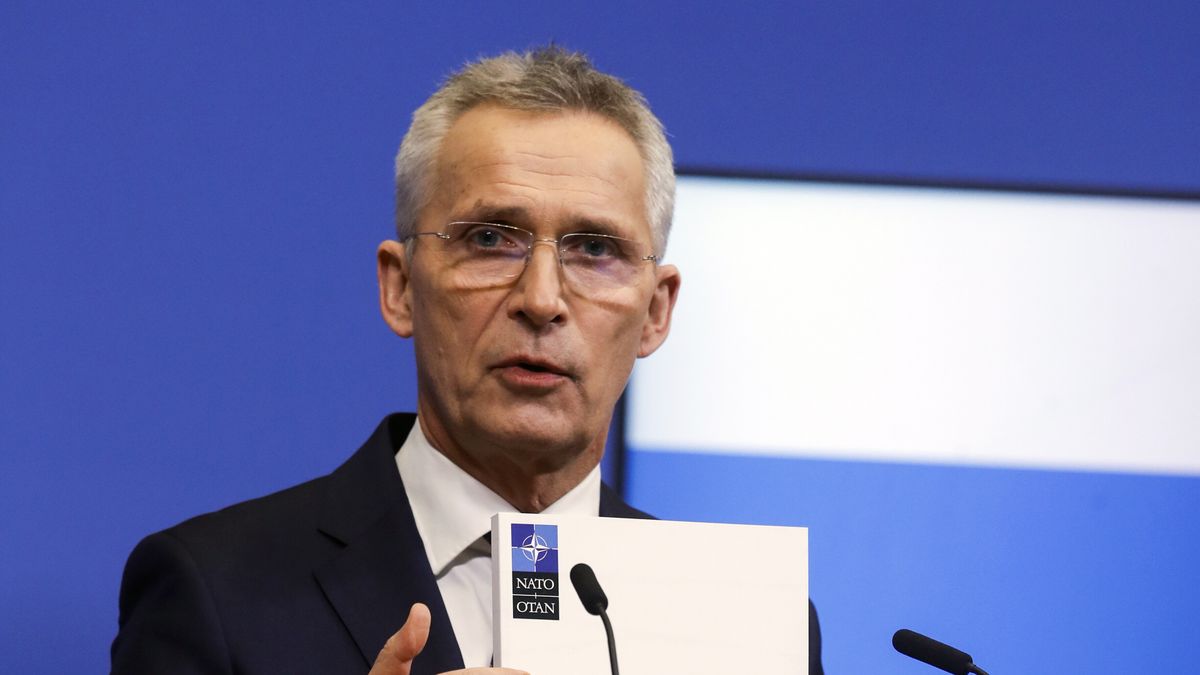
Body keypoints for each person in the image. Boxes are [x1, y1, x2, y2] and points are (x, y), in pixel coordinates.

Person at [111, 46, 824, 675]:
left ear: (656, 311)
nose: (541, 299)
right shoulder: (216, 592)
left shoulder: (746, 625)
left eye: (594, 249)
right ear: (400, 288)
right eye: (490, 239)